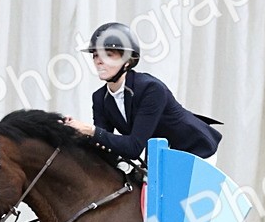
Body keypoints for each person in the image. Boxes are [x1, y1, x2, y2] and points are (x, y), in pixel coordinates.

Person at [64, 22, 222, 165]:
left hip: (196, 150)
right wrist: (73, 134)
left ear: (127, 61)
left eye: (108, 55)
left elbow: (133, 148)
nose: (98, 61)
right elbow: (103, 144)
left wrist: (90, 130)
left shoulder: (151, 89)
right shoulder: (100, 98)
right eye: (95, 55)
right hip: (161, 154)